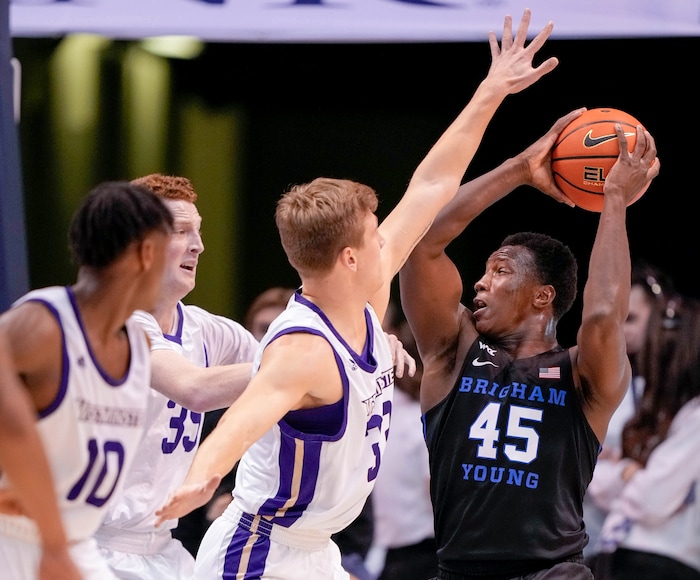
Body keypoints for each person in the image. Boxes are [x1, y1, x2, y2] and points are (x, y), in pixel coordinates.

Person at [155, 9, 561, 579]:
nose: (388, 236)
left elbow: (431, 184)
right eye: (375, 233)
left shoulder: (364, 296)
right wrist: (200, 478)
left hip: (316, 550)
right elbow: (242, 419)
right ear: (348, 257)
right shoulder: (302, 350)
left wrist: (491, 91)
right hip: (261, 553)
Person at [398, 110, 660, 579]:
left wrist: (615, 198)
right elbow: (421, 245)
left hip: (552, 571)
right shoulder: (453, 350)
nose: (479, 284)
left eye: (499, 271)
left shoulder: (582, 374)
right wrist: (519, 168)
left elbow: (602, 314)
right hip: (457, 570)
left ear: (543, 296)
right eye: (483, 272)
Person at [0, 181, 174, 579]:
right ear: (147, 253)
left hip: (77, 543)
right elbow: (11, 428)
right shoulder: (42, 326)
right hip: (17, 539)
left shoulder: (140, 345)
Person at [95, 173, 260, 579]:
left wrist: (367, 343)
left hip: (160, 548)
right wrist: (310, 361)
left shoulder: (208, 330)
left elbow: (293, 356)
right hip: (92, 545)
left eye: (198, 231)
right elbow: (194, 389)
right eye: (182, 231)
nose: (199, 245)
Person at [583, 259, 679, 570]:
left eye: (632, 319)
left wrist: (624, 468)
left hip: (650, 549)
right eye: (617, 319)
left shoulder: (681, 398)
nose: (620, 331)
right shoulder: (592, 383)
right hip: (587, 547)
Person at [595, 297, 700, 579]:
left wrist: (630, 475)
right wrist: (628, 472)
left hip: (667, 561)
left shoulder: (696, 416)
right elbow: (595, 479)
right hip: (615, 551)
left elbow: (652, 500)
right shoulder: (654, 410)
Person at [370, 302, 438, 580]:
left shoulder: (415, 412)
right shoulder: (369, 406)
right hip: (381, 553)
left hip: (423, 555)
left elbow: (437, 493)